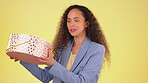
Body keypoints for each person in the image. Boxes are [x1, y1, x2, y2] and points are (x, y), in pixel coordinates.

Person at [11, 5, 110, 83]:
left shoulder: (97, 49)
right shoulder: (63, 48)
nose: (72, 24)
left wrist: (53, 64)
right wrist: (23, 59)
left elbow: (82, 81)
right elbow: (45, 77)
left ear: (86, 24)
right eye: (68, 21)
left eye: (76, 20)